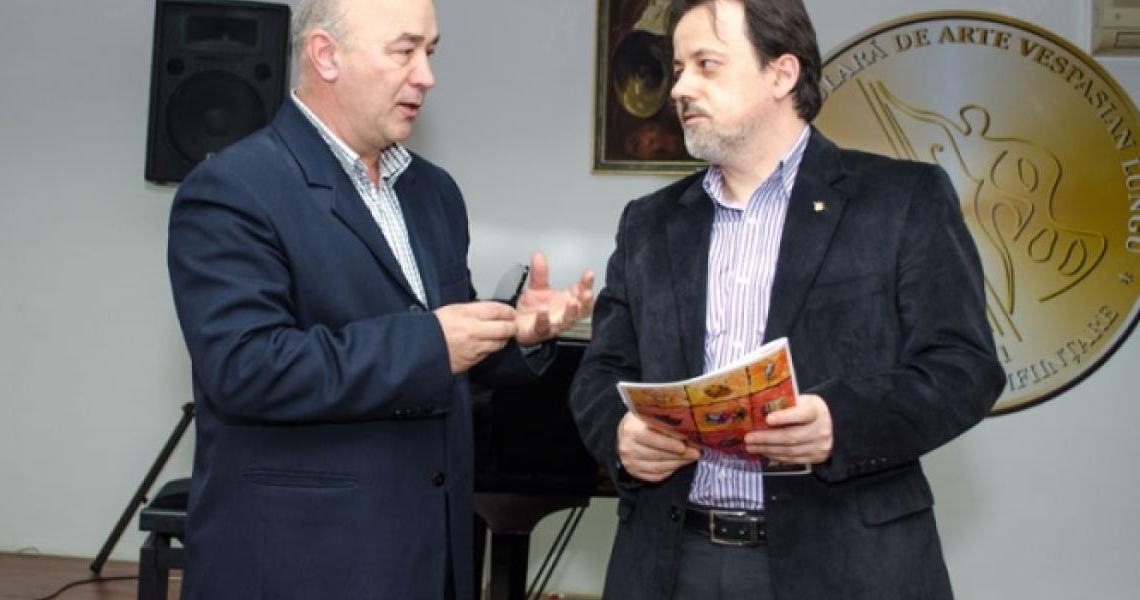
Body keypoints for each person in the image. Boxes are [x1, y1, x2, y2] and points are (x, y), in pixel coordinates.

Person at [570, 1, 1006, 598]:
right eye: (677, 69)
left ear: (781, 74)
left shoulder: (902, 200)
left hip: (847, 565)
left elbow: (965, 368)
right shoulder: (649, 223)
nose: (680, 89)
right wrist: (621, 434)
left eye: (706, 64)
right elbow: (600, 373)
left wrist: (839, 424)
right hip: (671, 562)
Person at [165, 0, 594, 598]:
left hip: (430, 556)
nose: (427, 76)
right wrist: (434, 343)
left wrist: (518, 334)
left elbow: (446, 356)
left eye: (430, 52)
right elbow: (247, 368)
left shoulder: (433, 192)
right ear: (326, 56)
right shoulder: (232, 190)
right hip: (302, 566)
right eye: (404, 51)